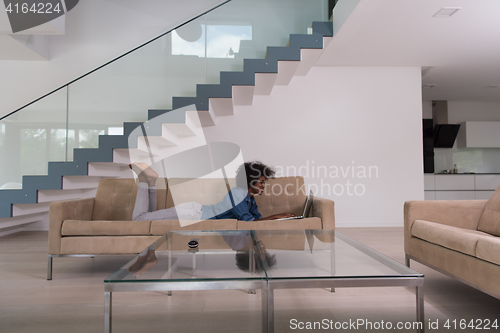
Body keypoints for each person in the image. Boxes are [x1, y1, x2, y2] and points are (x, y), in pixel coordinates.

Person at [130, 161, 296, 222]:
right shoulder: (238, 194)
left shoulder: (249, 199)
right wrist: (275, 217)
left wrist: (280, 218)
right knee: (140, 219)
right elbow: (248, 221)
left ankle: (150, 182)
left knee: (148, 218)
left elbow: (258, 221)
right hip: (192, 215)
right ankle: (145, 181)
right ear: (250, 181)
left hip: (195, 213)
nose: (263, 186)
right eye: (261, 182)